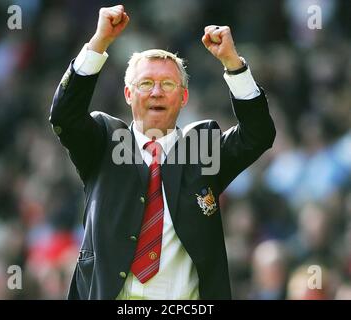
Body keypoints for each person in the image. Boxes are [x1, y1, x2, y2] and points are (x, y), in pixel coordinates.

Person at [49, 5, 276, 300]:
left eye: (167, 84)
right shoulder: (104, 141)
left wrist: (233, 64)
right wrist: (99, 42)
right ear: (128, 94)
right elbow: (64, 117)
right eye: (146, 83)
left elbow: (259, 134)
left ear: (183, 97)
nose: (156, 92)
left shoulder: (202, 150)